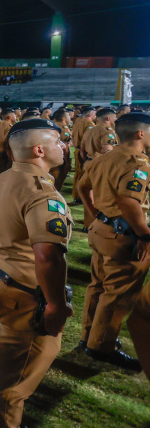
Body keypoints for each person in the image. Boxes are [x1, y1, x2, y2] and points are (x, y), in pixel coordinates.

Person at [0, 118, 73, 427]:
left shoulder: (2, 179)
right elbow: (47, 256)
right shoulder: (42, 193)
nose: (64, 147)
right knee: (13, 389)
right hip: (25, 298)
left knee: (1, 371)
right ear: (39, 150)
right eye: (58, 142)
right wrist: (56, 305)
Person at [77, 112, 150, 371]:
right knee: (118, 295)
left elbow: (82, 186)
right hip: (124, 235)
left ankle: (88, 336)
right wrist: (144, 235)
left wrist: (94, 212)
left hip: (101, 229)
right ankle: (101, 346)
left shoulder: (105, 157)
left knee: (97, 286)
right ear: (141, 134)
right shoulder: (138, 163)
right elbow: (129, 201)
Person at [0, 109, 16, 178]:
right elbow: (8, 142)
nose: (16, 116)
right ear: (9, 117)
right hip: (4, 155)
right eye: (14, 114)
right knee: (4, 177)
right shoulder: (8, 127)